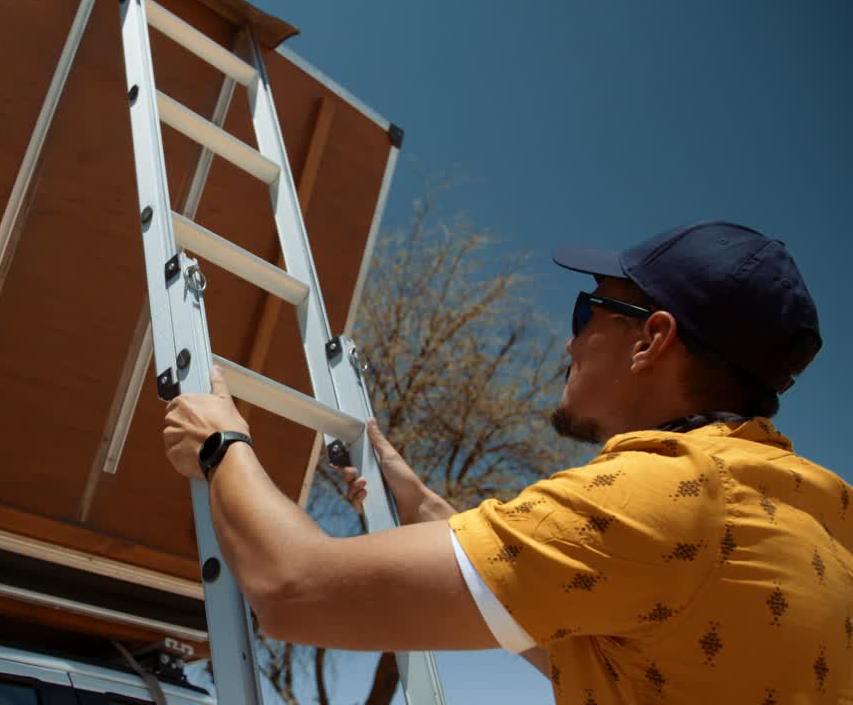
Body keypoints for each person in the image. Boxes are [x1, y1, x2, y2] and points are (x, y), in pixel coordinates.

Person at [162, 221, 851, 703]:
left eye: (588, 311)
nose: (570, 343)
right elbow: (597, 652)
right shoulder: (816, 518)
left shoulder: (656, 497)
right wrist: (423, 507)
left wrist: (223, 444)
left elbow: (291, 591)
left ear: (653, 339)